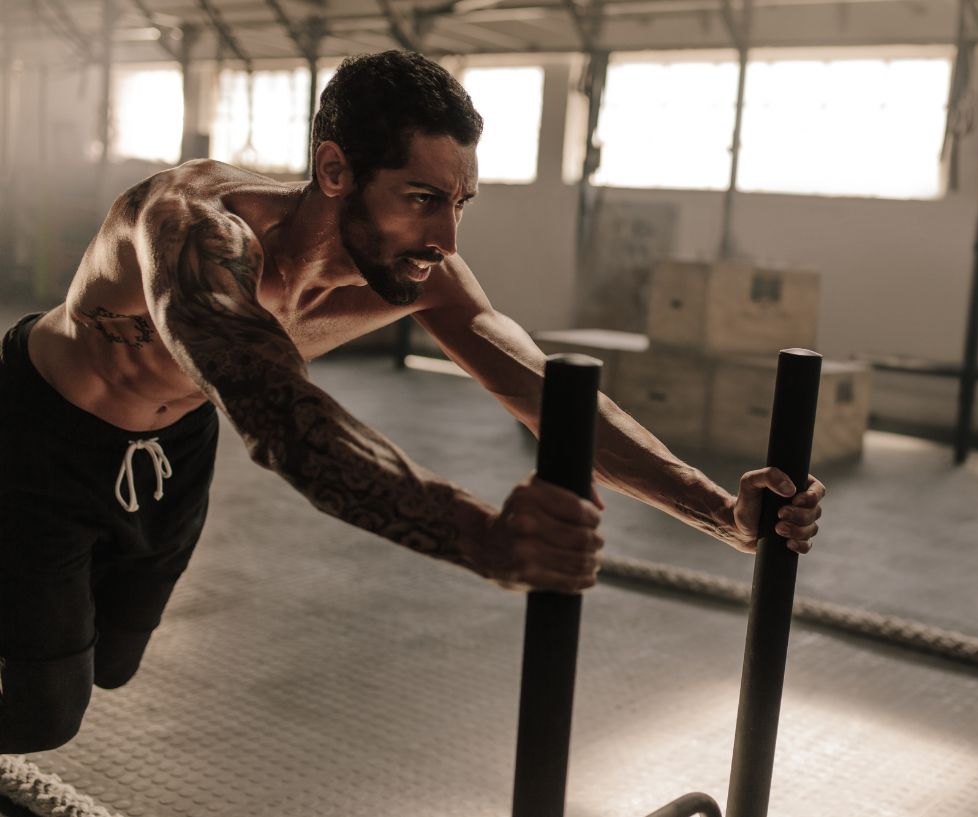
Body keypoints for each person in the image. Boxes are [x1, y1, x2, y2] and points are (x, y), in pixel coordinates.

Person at [0, 50, 826, 754]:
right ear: (334, 171)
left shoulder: (419, 274)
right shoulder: (192, 228)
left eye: (459, 202)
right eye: (423, 198)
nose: (448, 238)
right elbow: (280, 415)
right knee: (44, 714)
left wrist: (724, 513)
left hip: (174, 455)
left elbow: (543, 392)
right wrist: (480, 537)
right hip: (43, 434)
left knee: (113, 663)